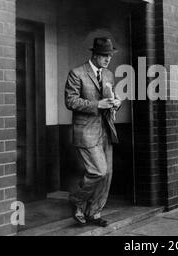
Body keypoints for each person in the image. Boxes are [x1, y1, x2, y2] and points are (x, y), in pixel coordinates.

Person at [65, 37, 121, 227]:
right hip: (87, 131)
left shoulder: (109, 75)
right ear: (95, 55)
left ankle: (94, 212)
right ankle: (77, 200)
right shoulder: (77, 73)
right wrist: (98, 104)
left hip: (106, 129)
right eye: (105, 56)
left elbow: (111, 96)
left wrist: (116, 102)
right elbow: (71, 101)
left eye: (110, 56)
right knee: (99, 171)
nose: (108, 59)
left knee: (108, 175)